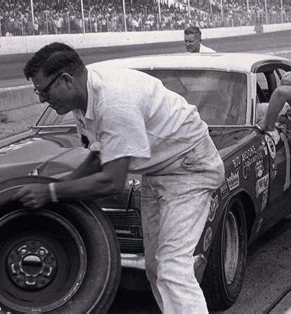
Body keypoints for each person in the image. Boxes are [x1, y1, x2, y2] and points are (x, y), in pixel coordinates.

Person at [15, 42, 225, 312]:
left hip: (189, 169)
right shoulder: (85, 99)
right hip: (158, 170)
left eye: (43, 91)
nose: (41, 99)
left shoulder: (114, 103)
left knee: (172, 268)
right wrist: (57, 187)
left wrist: (52, 193)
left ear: (66, 80)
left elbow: (113, 181)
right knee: (156, 267)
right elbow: (98, 155)